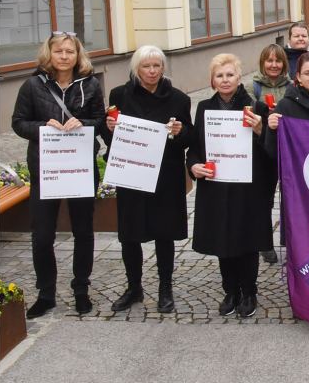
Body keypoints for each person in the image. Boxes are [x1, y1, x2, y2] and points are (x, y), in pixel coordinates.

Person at [12, 32, 105, 318]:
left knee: (83, 232)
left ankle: (81, 290)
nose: (64, 56)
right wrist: (43, 127)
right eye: (59, 51)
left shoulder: (90, 85)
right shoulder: (32, 85)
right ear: (49, 54)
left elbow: (100, 121)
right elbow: (18, 122)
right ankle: (46, 293)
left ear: (78, 56)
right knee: (41, 235)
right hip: (46, 168)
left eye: (70, 51)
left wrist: (84, 123)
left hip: (79, 167)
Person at [104, 45, 193, 314]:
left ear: (163, 68)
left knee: (163, 234)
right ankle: (134, 288)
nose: (152, 71)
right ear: (136, 69)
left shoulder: (178, 99)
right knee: (130, 234)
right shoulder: (120, 95)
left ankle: (165, 288)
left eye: (157, 66)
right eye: (146, 66)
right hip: (132, 174)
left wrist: (179, 132)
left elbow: (190, 137)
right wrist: (108, 128)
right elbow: (110, 138)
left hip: (165, 176)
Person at [188, 54, 272, 317]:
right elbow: (195, 147)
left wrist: (260, 131)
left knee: (246, 240)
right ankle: (230, 290)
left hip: (247, 187)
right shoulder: (203, 108)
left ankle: (249, 291)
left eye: (230, 75)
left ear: (239, 78)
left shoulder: (255, 107)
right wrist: (194, 166)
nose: (225, 80)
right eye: (219, 75)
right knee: (223, 240)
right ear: (212, 80)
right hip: (216, 185)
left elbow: (271, 148)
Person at [250, 43, 292, 264]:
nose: (274, 65)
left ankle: (290, 242)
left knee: (291, 198)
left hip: (287, 149)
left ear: (284, 63)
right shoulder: (253, 87)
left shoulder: (292, 86)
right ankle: (264, 243)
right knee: (263, 199)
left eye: (278, 61)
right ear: (262, 63)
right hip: (262, 148)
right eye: (269, 60)